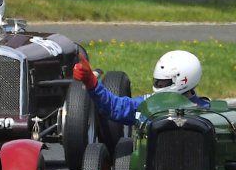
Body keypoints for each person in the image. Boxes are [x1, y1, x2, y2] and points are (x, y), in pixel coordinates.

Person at [71, 50, 208, 125]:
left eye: (163, 83)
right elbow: (115, 107)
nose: (159, 86)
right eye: (157, 82)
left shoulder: (208, 111)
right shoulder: (147, 104)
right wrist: (91, 82)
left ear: (184, 80)